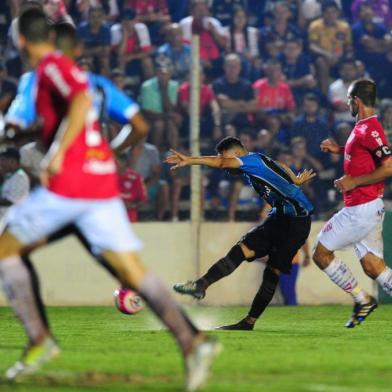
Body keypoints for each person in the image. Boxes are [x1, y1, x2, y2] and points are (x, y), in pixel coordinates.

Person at [0, 10, 220, 389]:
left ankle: (40, 339)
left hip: (70, 184)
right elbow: (128, 122)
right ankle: (194, 341)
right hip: (102, 186)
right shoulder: (86, 78)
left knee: (6, 251)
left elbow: (80, 105)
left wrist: (53, 155)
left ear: (20, 40)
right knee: (132, 272)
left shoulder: (45, 70)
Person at [167, 136, 315, 330]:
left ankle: (248, 322)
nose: (226, 164)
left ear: (236, 154)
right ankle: (200, 285)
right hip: (278, 216)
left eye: (226, 157)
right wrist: (294, 179)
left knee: (272, 272)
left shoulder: (248, 162)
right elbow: (280, 164)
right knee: (240, 251)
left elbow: (220, 162)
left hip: (297, 222)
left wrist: (191, 160)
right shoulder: (256, 159)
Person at [313, 79, 392, 328]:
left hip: (361, 208)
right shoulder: (362, 128)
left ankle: (362, 298)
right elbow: (363, 156)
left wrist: (353, 182)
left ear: (356, 101)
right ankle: (363, 299)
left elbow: (388, 167)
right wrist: (338, 150)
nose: (348, 104)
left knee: (320, 253)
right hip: (367, 207)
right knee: (373, 267)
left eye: (349, 100)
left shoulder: (370, 129)